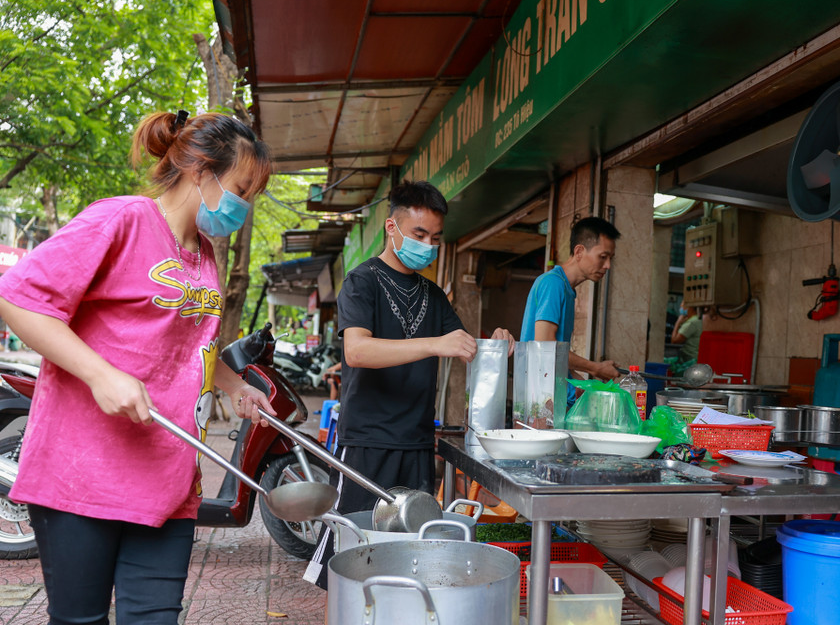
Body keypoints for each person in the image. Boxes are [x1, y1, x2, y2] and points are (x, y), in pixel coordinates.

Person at [0, 110, 276, 625]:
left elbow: (190, 341)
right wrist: (100, 374)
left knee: (153, 618)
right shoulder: (121, 219)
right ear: (201, 172)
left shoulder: (206, 251)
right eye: (241, 188)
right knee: (80, 620)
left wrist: (236, 385)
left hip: (169, 476)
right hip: (83, 472)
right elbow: (19, 299)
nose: (244, 204)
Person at [304, 180, 514, 588]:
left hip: (416, 443)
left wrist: (498, 344)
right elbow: (358, 352)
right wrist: (436, 343)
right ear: (391, 227)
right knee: (349, 557)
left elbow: (465, 347)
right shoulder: (361, 281)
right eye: (418, 234)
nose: (427, 245)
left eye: (435, 238)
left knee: (407, 554)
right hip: (367, 441)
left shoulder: (433, 296)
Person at [520, 216, 622, 403]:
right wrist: (595, 368)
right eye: (602, 257)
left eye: (610, 259)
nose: (607, 265)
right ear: (579, 251)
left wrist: (576, 379)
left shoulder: (567, 289)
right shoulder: (553, 284)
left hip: (551, 400)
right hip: (540, 404)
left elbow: (556, 352)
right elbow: (546, 347)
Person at [671, 299, 703, 364]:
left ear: (689, 307)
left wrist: (677, 323)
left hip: (690, 359)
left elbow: (674, 341)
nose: (681, 308)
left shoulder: (692, 323)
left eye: (682, 306)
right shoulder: (696, 320)